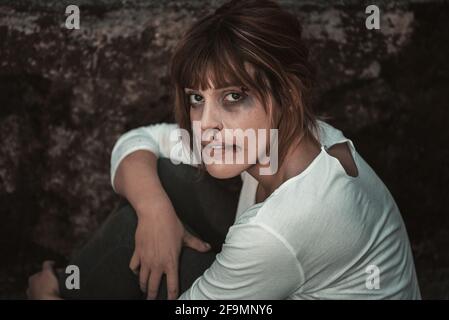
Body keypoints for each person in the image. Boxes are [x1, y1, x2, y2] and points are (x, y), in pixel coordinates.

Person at [27, 0, 421, 300]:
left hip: (275, 261)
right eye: (197, 98)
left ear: (287, 93)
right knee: (158, 185)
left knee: (134, 235)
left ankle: (59, 289)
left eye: (234, 96)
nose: (206, 123)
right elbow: (137, 141)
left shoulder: (279, 228)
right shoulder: (299, 137)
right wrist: (155, 210)